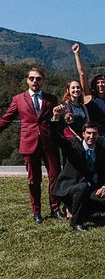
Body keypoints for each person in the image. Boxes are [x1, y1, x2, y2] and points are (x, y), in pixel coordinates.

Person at [0, 67, 63, 223]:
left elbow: (57, 122)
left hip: (49, 144)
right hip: (29, 143)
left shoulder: (51, 99)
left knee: (55, 176)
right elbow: (6, 119)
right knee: (34, 180)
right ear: (27, 80)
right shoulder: (18, 99)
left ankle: (55, 209)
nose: (35, 81)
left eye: (38, 78)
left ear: (43, 81)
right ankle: (37, 213)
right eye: (32, 78)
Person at [50, 108, 105, 231]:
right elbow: (55, 137)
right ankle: (75, 222)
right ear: (83, 134)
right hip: (69, 188)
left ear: (98, 135)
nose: (91, 136)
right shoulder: (74, 145)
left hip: (88, 188)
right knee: (82, 188)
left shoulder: (101, 150)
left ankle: (80, 211)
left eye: (94, 133)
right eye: (88, 133)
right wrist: (56, 118)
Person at [72, 44, 105, 134]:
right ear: (94, 85)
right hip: (92, 136)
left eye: (103, 82)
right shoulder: (89, 96)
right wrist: (77, 54)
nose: (100, 84)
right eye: (98, 82)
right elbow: (82, 75)